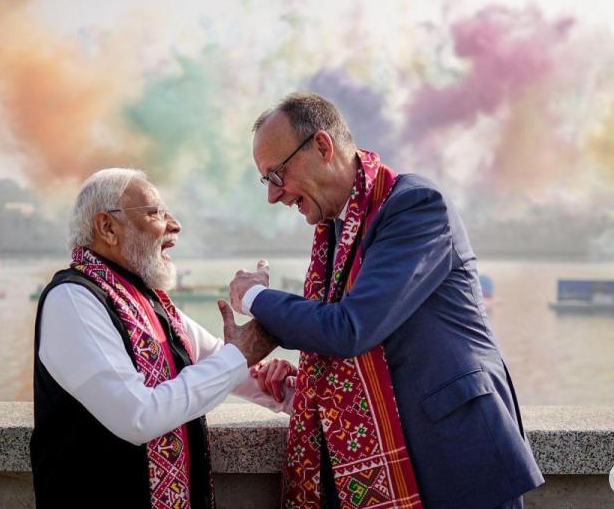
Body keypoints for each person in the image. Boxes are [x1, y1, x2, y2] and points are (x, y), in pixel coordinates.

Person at [230, 93, 544, 509]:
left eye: (276, 174)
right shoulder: (337, 230)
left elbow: (351, 328)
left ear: (322, 146)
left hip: (458, 457)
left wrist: (253, 296)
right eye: (266, 181)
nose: (274, 196)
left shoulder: (416, 207)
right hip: (409, 453)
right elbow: (360, 343)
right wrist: (306, 385)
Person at [31, 168, 284, 509]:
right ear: (107, 227)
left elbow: (224, 363)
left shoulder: (146, 300)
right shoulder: (72, 300)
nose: (174, 225)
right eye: (155, 213)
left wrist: (284, 387)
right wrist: (240, 354)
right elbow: (138, 416)